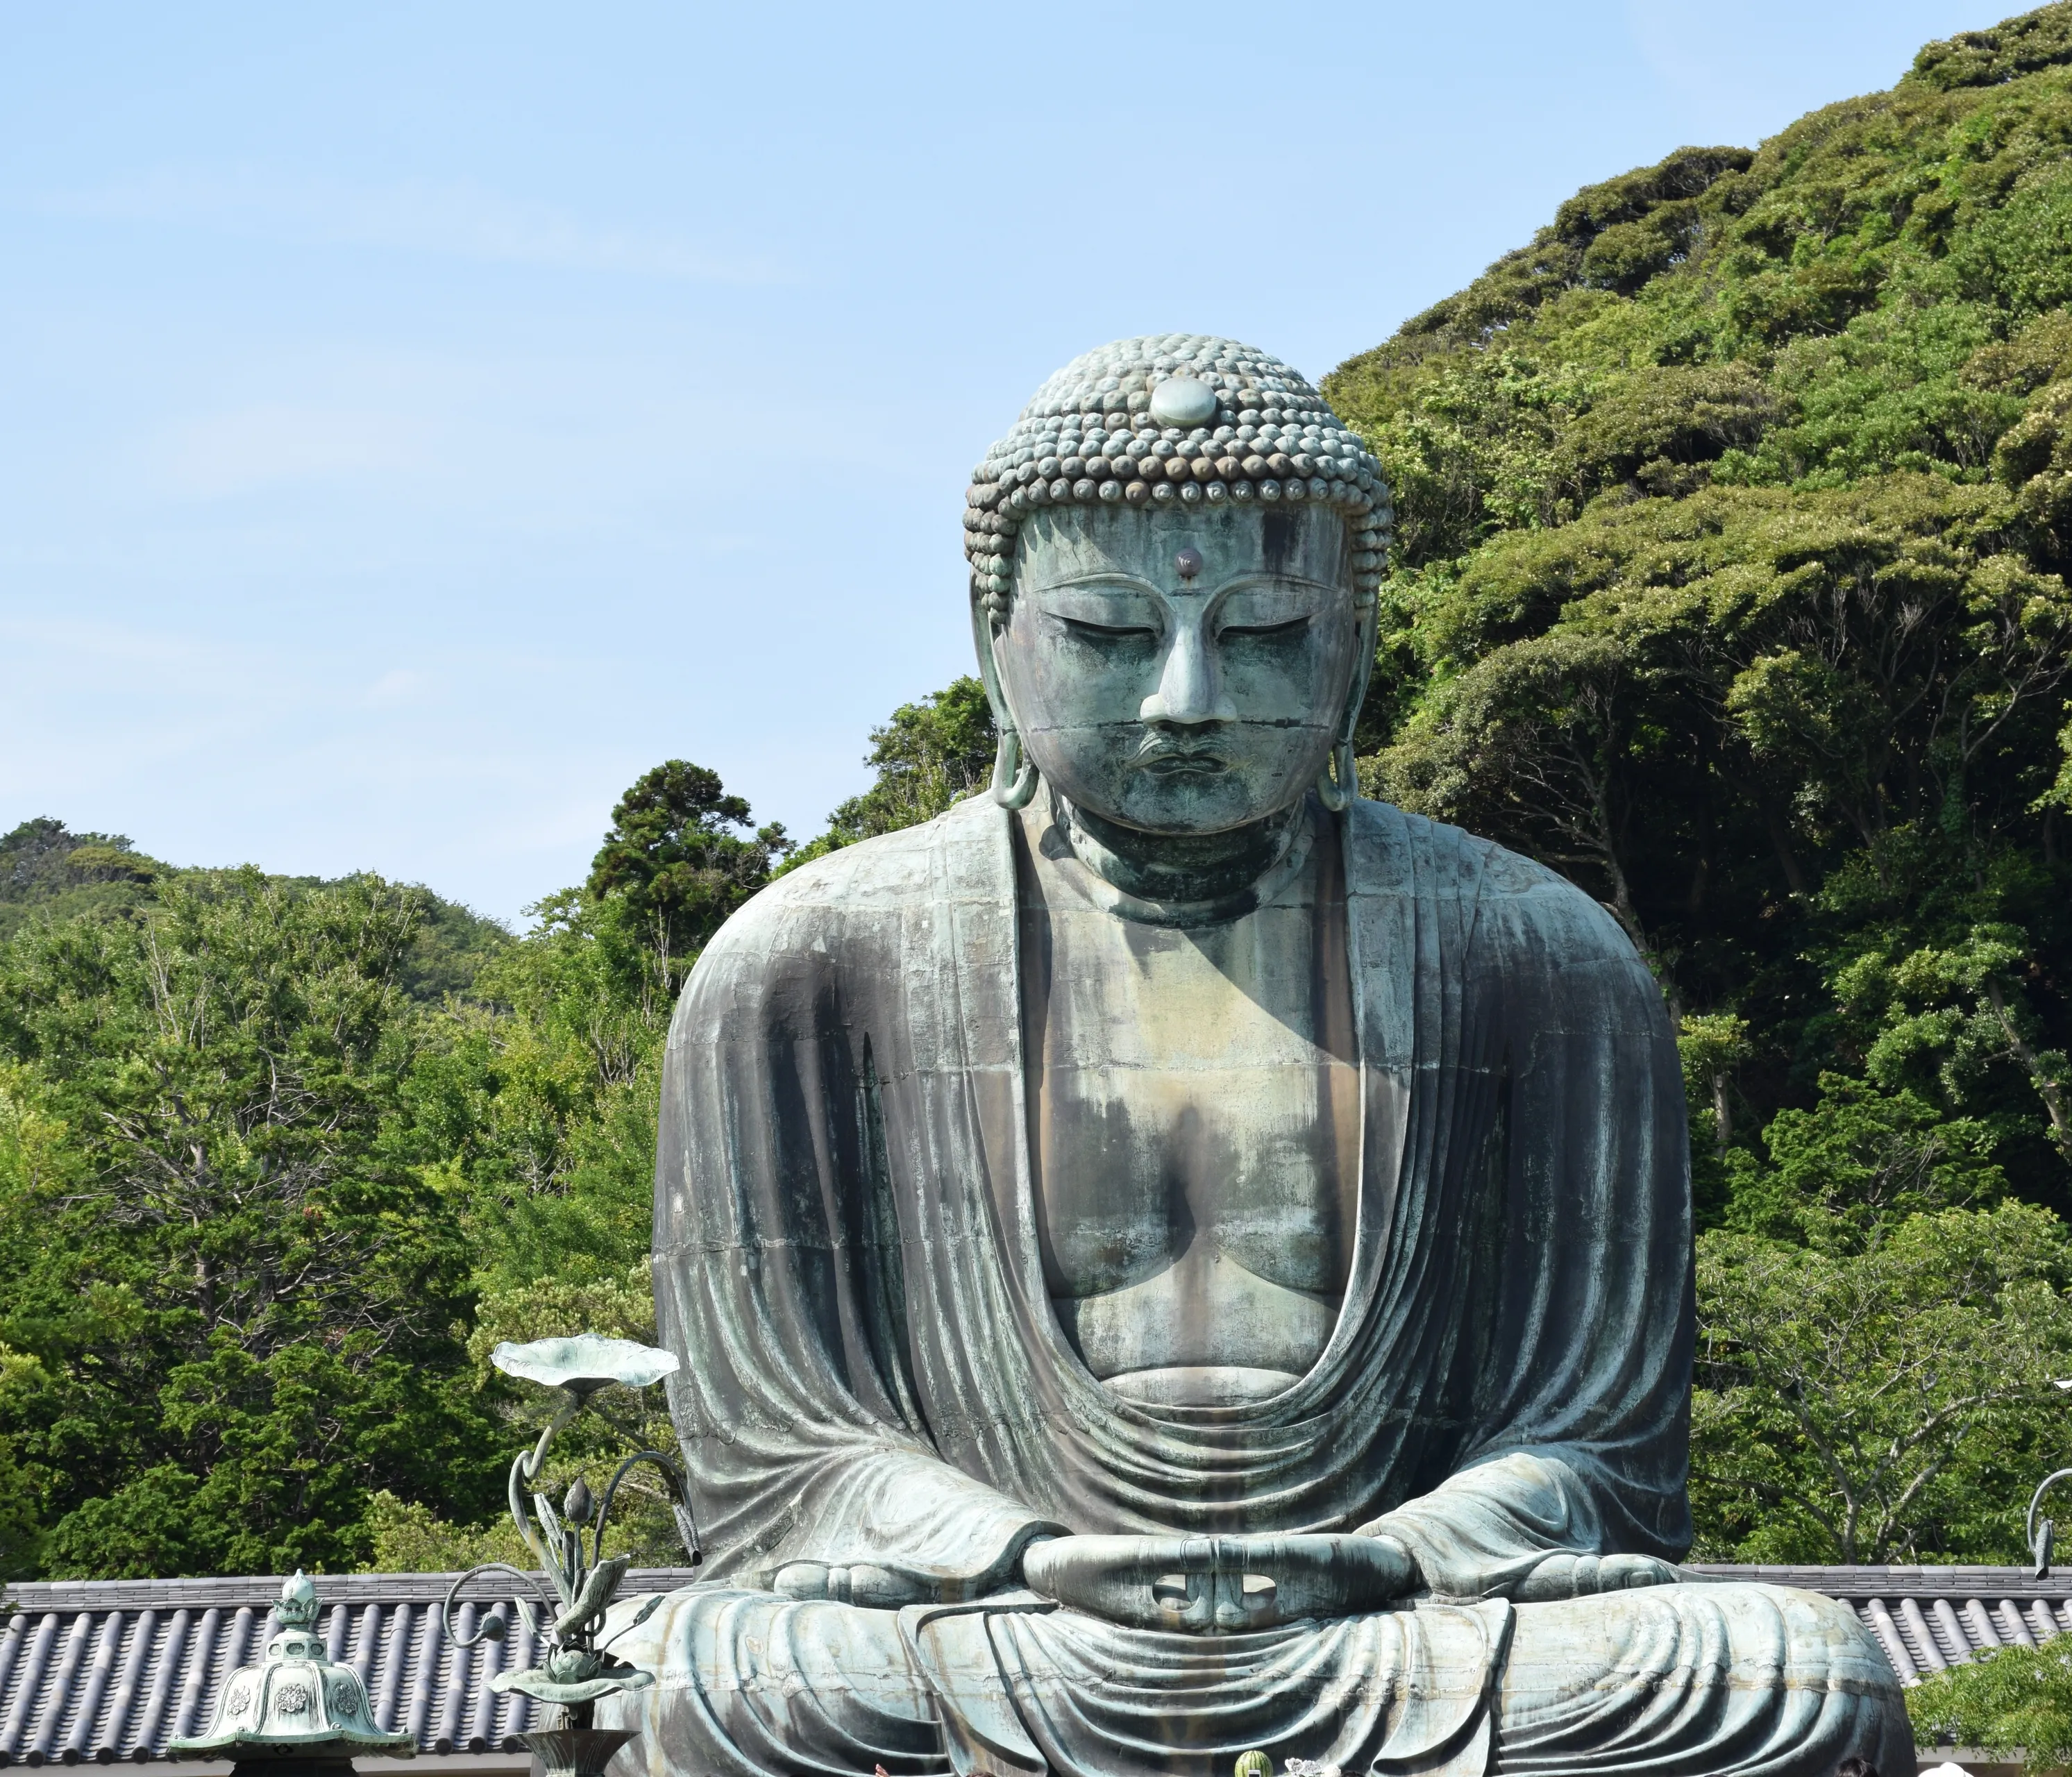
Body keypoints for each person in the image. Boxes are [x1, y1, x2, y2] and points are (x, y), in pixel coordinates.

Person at [603, 337, 1913, 1777]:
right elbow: (782, 1461)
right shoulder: (806, 964)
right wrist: (1029, 1553)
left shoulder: (1539, 955)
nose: (1185, 698)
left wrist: (1385, 1553)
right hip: (1009, 1629)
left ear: (1352, 639)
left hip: (1404, 1624)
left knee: (1801, 1675)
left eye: (1268, 631)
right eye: (1107, 635)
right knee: (722, 1679)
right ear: (995, 633)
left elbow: (1595, 1451)